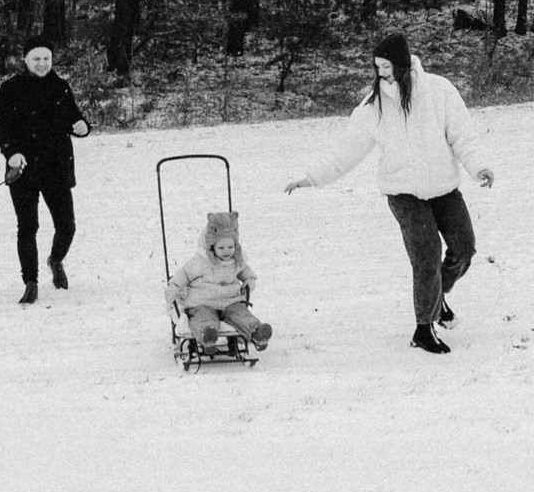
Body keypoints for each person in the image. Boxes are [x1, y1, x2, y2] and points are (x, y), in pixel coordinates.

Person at [284, 30, 494, 355]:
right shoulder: (374, 108)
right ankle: (423, 330)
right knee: (426, 258)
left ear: (402, 63)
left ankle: (437, 295)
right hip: (403, 193)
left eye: (386, 67)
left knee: (464, 249)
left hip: (443, 188)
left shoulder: (439, 91)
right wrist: (311, 178)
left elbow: (463, 135)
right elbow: (346, 151)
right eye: (377, 68)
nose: (381, 74)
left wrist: (479, 166)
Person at [0, 40, 91, 304]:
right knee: (27, 227)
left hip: (56, 167)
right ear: (25, 59)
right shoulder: (11, 89)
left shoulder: (60, 87)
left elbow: (74, 117)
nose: (42, 63)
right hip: (23, 168)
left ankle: (56, 260)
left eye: (46, 58)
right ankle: (31, 282)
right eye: (36, 58)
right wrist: (11, 153)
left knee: (67, 226)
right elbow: (0, 127)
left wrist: (82, 125)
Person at [167, 210, 273, 351]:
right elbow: (184, 275)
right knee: (204, 317)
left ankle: (256, 331)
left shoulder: (237, 261)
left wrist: (249, 282)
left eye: (230, 247)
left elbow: (248, 274)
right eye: (221, 247)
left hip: (230, 301)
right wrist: (174, 288)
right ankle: (208, 335)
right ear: (211, 247)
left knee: (240, 314)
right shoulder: (200, 261)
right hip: (202, 302)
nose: (226, 251)